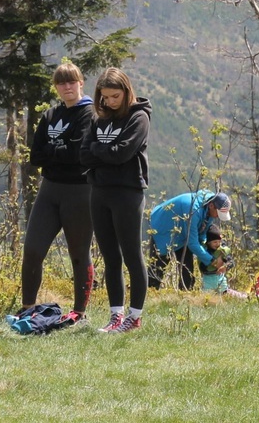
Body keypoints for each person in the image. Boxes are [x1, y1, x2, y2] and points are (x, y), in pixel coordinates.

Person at [20, 62, 94, 325]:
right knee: (32, 249)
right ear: (56, 87)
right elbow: (34, 156)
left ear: (81, 83)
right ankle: (27, 307)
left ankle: (79, 312)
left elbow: (78, 155)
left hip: (80, 192)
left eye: (72, 82)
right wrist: (59, 152)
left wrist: (53, 153)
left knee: (79, 253)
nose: (67, 87)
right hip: (50, 190)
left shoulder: (89, 113)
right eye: (62, 83)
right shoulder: (51, 115)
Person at [79, 67, 151, 333]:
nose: (109, 101)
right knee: (110, 256)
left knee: (132, 255)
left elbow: (123, 153)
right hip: (99, 191)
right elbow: (84, 154)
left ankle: (135, 317)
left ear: (126, 92)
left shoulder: (139, 117)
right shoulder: (99, 120)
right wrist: (104, 151)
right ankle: (116, 316)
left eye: (114, 96)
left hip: (128, 192)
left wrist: (101, 151)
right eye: (105, 96)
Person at [148, 190, 232, 291]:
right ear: (211, 206)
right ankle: (148, 296)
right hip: (163, 229)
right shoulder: (194, 210)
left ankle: (184, 299)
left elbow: (202, 235)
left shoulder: (209, 209)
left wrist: (211, 250)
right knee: (157, 270)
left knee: (187, 274)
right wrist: (212, 261)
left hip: (183, 233)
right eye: (218, 213)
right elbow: (192, 243)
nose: (217, 217)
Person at [200, 225, 247, 298]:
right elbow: (202, 266)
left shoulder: (222, 251)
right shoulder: (204, 251)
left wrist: (225, 267)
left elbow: (231, 262)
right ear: (208, 242)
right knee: (207, 296)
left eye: (219, 242)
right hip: (207, 279)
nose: (218, 244)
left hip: (219, 277)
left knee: (225, 293)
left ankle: (243, 296)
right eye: (215, 242)